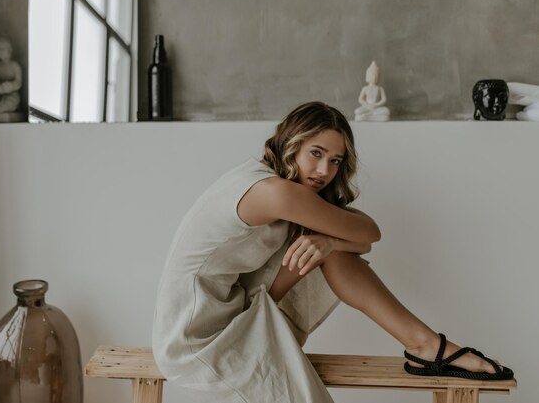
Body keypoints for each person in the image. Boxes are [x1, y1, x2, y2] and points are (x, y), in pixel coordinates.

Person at [152, 102, 512, 403]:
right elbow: (369, 233)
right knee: (326, 243)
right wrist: (333, 240)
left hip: (233, 307)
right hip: (197, 336)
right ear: (290, 143)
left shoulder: (283, 184)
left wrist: (331, 242)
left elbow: (366, 236)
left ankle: (426, 346)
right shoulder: (276, 193)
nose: (324, 171)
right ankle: (428, 346)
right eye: (316, 154)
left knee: (327, 245)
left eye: (336, 161)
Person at [0, 37, 22, 114]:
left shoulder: (15, 65)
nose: (0, 51)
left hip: (12, 93)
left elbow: (19, 82)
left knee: (1, 109)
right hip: (0, 94)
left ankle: (14, 106)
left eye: (3, 49)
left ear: (9, 49)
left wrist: (11, 85)